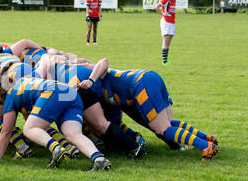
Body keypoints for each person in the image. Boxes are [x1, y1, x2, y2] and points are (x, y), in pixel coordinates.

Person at [80, 63, 219, 161]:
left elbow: (104, 61)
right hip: (149, 77)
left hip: (142, 83)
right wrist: (175, 146)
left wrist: (90, 80)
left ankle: (206, 147)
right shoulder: (102, 91)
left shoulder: (92, 74)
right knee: (167, 124)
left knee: (163, 129)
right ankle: (205, 138)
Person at [0, 75, 112, 171]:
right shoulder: (23, 80)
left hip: (53, 92)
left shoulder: (10, 94)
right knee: (73, 134)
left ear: (0, 93)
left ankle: (56, 149)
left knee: (29, 128)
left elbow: (6, 131)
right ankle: (99, 159)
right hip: (70, 92)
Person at [155, 0, 179, 65]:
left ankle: (166, 60)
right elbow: (156, 7)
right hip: (166, 22)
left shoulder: (174, 0)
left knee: (168, 43)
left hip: (172, 22)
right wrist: (162, 14)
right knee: (165, 42)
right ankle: (164, 61)